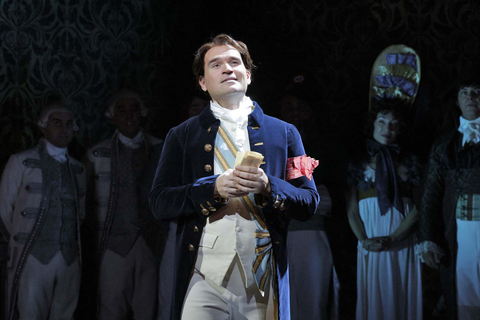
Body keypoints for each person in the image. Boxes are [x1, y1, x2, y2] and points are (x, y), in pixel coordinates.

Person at [149, 34, 319, 320]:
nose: (227, 69)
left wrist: (269, 186)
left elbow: (309, 200)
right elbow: (159, 202)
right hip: (203, 276)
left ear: (248, 75)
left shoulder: (286, 133)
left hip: (261, 275)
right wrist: (212, 188)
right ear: (203, 82)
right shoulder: (182, 135)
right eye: (215, 65)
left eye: (234, 62)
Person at [0, 101, 85, 320]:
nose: (64, 129)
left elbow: (81, 213)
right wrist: (24, 238)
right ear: (44, 126)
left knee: (65, 313)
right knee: (30, 313)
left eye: (69, 124)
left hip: (69, 257)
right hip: (33, 255)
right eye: (57, 123)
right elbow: (4, 209)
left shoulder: (79, 168)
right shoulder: (20, 162)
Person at [83, 90, 163, 319]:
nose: (129, 116)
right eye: (122, 110)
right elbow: (84, 200)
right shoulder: (96, 154)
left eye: (134, 109)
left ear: (142, 113)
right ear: (113, 115)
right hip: (113, 243)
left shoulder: (160, 149)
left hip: (150, 242)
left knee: (147, 307)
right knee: (111, 305)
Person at [346, 99, 423, 320]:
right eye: (381, 121)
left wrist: (392, 239)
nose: (386, 129)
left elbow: (418, 208)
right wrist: (364, 241)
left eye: (393, 124)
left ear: (400, 128)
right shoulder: (358, 165)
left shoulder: (410, 164)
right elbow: (351, 210)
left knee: (400, 292)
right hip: (370, 241)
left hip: (402, 241)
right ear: (372, 124)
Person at [279, 74, 341, 320]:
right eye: (288, 108)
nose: (295, 113)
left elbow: (324, 195)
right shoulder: (269, 144)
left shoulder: (325, 146)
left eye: (300, 108)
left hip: (316, 235)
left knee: (314, 302)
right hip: (281, 238)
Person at [418, 76, 480, 319]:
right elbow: (430, 193)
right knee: (463, 296)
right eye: (464, 92)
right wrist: (429, 239)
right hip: (457, 234)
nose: (470, 98)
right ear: (457, 100)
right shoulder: (443, 145)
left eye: (476, 92)